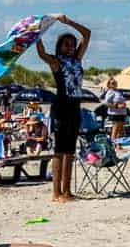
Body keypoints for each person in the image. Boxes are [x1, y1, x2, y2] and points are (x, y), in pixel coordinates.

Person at [35, 15, 93, 202]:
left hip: (75, 106)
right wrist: (36, 32)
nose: (69, 47)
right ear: (59, 46)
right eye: (65, 44)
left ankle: (67, 191)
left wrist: (69, 22)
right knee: (59, 151)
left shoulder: (77, 59)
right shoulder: (55, 62)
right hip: (60, 107)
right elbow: (41, 53)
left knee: (70, 150)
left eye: (71, 44)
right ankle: (56, 193)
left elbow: (87, 33)